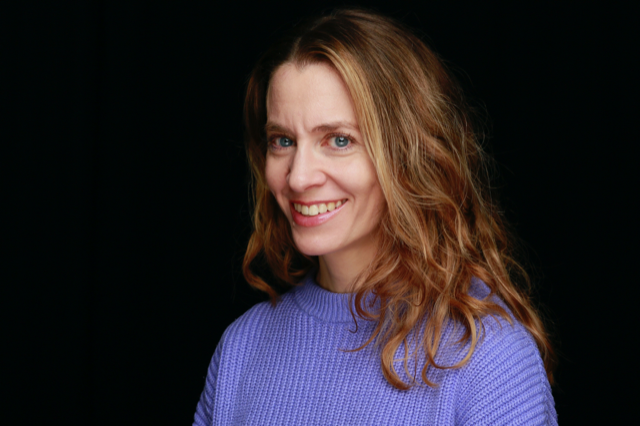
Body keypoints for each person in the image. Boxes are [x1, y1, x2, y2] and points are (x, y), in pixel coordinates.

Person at [194, 8, 557, 425]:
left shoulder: (487, 357)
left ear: (407, 155)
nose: (298, 177)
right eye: (283, 140)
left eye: (339, 140)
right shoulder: (242, 348)